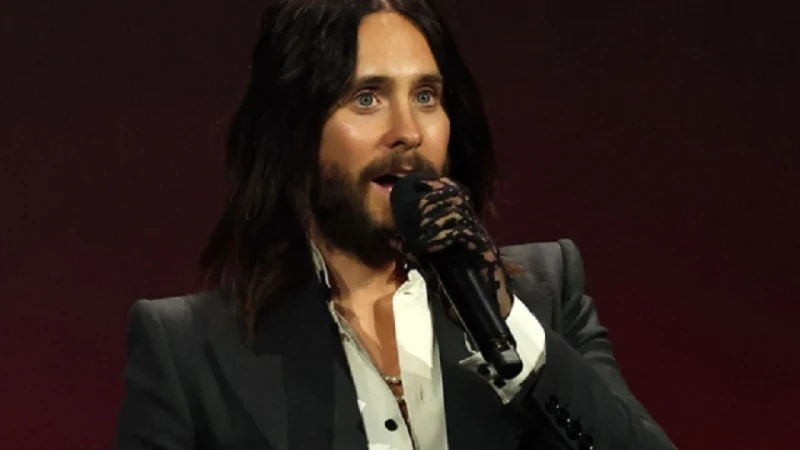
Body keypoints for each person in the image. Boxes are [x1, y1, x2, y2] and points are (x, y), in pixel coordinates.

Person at [114, 0, 677, 449]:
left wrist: (507, 326)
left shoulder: (545, 297)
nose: (408, 130)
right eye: (367, 98)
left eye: (426, 96)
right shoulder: (190, 351)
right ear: (296, 131)